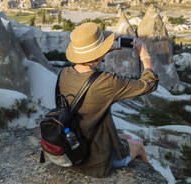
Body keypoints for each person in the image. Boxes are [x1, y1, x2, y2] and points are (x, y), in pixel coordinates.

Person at [58, 22, 159, 177]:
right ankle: (151, 178)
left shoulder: (64, 74)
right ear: (98, 53)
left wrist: (101, 52)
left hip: (72, 146)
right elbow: (149, 84)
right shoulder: (105, 82)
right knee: (137, 144)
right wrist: (145, 56)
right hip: (96, 159)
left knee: (125, 137)